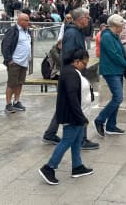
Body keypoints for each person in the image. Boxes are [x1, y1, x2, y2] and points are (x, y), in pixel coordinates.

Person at [43, 8, 99, 150]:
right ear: (80, 19)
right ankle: (81, 139)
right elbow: (67, 56)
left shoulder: (76, 32)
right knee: (80, 104)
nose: (89, 19)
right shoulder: (72, 33)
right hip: (74, 75)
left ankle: (50, 133)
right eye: (87, 17)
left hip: (73, 73)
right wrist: (77, 70)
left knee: (65, 104)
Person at [39, 48, 94, 185]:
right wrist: (80, 117)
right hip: (72, 115)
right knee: (67, 141)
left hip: (75, 113)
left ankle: (77, 166)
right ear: (77, 61)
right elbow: (72, 97)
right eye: (84, 63)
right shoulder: (70, 74)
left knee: (76, 140)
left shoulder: (71, 71)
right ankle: (49, 167)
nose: (85, 66)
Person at [94, 15, 126, 137]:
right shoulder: (107, 37)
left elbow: (121, 51)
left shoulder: (114, 36)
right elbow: (114, 55)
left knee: (117, 98)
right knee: (118, 98)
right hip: (110, 71)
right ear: (115, 26)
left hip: (117, 70)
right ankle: (100, 119)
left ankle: (111, 125)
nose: (123, 28)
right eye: (122, 25)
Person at [0, 13, 31, 113]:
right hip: (15, 62)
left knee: (20, 83)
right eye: (26, 20)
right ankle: (8, 104)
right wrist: (9, 60)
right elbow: (5, 45)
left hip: (24, 62)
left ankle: (17, 101)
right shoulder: (12, 31)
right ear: (20, 21)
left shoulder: (27, 31)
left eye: (28, 20)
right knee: (11, 84)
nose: (28, 22)